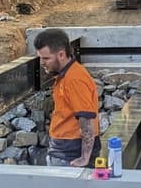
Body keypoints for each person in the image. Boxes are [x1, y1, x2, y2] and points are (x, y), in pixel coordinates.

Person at [34, 28, 101, 168]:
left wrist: (84, 158)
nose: (41, 63)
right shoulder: (67, 74)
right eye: (40, 58)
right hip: (64, 149)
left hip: (69, 154)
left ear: (61, 54)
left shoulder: (73, 79)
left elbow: (86, 119)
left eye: (46, 58)